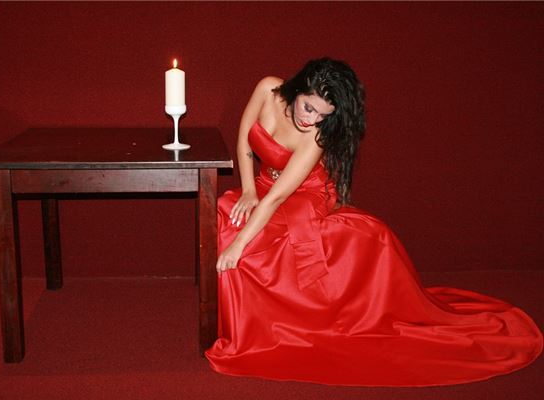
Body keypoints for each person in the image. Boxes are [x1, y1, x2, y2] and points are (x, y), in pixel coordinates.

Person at [204, 58, 542, 386]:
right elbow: (244, 138)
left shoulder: (315, 136)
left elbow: (278, 198)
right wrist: (249, 190)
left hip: (304, 194)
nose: (312, 119)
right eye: (309, 108)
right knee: (226, 212)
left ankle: (276, 326)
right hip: (263, 186)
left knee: (249, 242)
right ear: (299, 88)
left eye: (323, 115)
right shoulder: (268, 88)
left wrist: (239, 245)